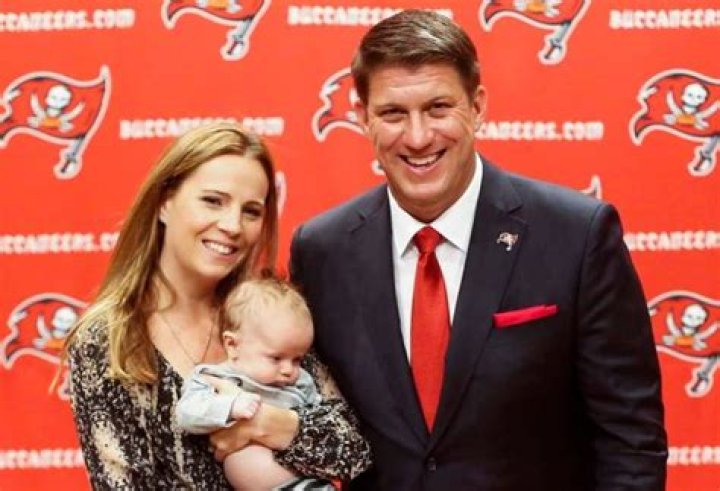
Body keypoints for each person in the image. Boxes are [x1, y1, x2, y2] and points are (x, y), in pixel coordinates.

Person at [288, 10, 668, 490]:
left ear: (477, 106)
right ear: (364, 119)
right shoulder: (321, 252)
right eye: (393, 113)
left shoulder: (577, 235)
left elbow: (630, 440)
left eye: (438, 108)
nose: (418, 136)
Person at [63, 123, 370, 488]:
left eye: (251, 211)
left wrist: (269, 424)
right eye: (213, 201)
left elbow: (352, 451)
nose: (232, 225)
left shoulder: (267, 313)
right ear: (164, 202)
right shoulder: (107, 339)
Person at [176, 277, 334, 490]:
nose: (289, 370)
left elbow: (325, 422)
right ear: (233, 345)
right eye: (276, 358)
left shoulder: (301, 382)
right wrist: (230, 407)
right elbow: (187, 414)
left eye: (297, 359)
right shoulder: (212, 377)